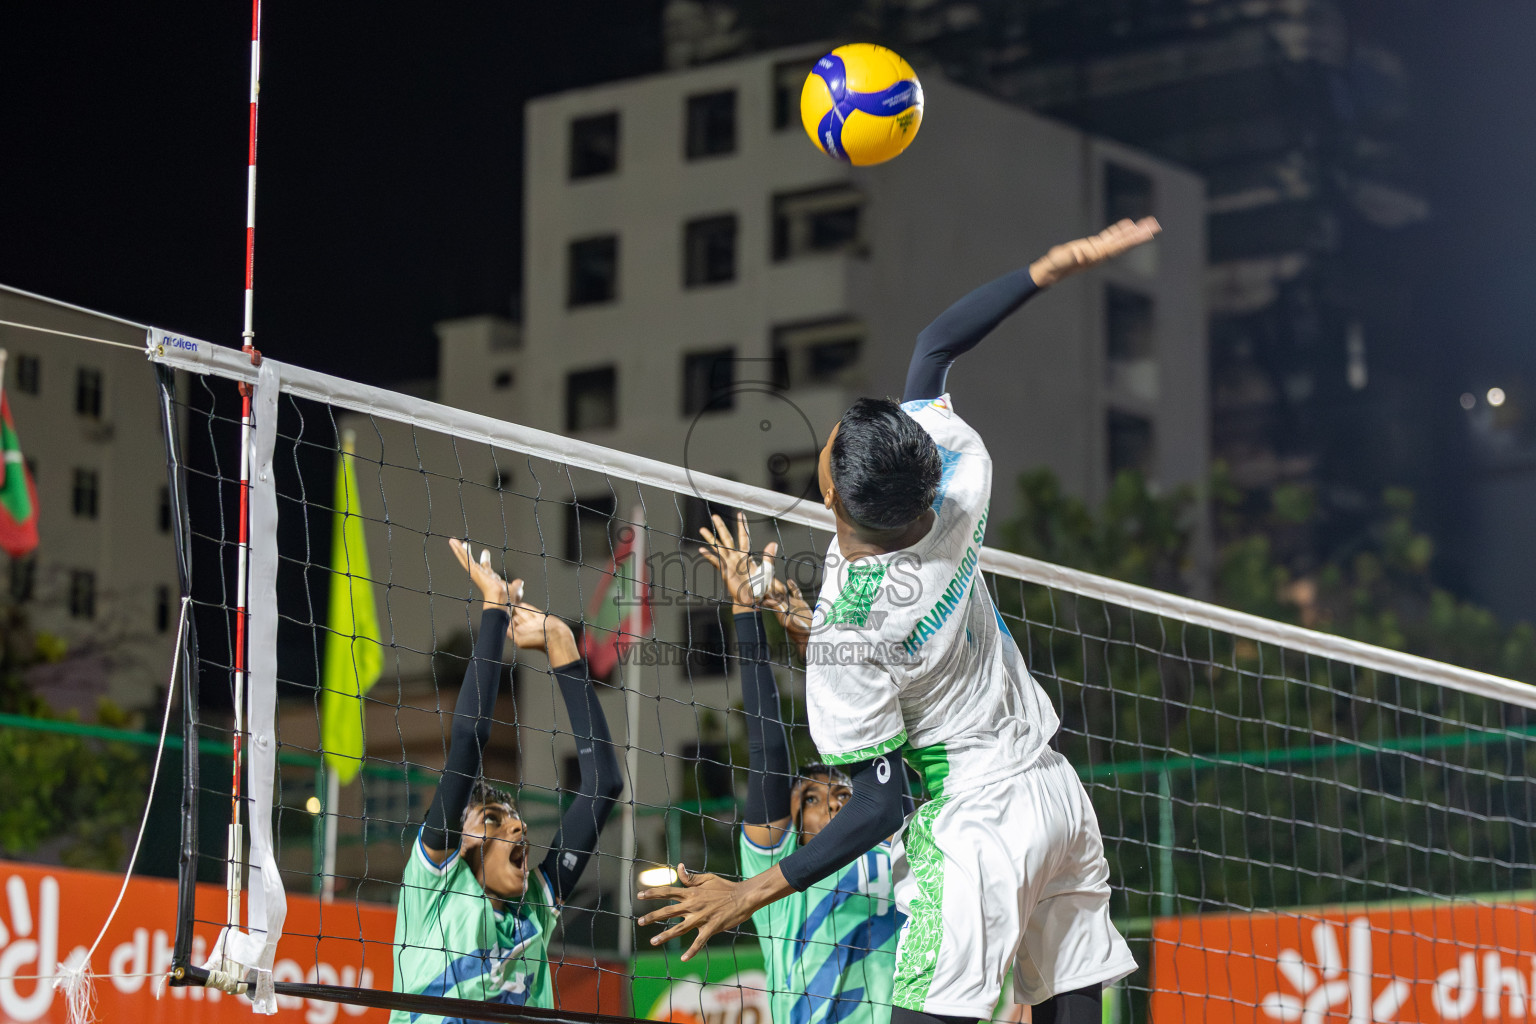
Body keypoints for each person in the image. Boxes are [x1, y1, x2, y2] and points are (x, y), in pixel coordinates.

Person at [639, 218, 1160, 1024]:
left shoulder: (852, 628)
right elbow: (935, 345)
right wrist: (1051, 266)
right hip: (1055, 794)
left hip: (974, 826)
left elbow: (880, 802)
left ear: (834, 497)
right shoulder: (956, 479)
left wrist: (753, 889)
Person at [391, 538, 624, 1019]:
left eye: (515, 819)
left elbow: (603, 785)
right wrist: (495, 608)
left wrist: (561, 644)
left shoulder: (533, 908)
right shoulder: (435, 888)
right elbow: (470, 737)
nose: (518, 828)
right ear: (459, 839)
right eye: (494, 820)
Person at [698, 511, 902, 1024]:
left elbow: (875, 731)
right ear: (793, 821)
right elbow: (768, 750)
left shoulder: (896, 854)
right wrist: (745, 613)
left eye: (841, 795)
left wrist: (817, 647)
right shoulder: (777, 883)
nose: (830, 802)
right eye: (811, 799)